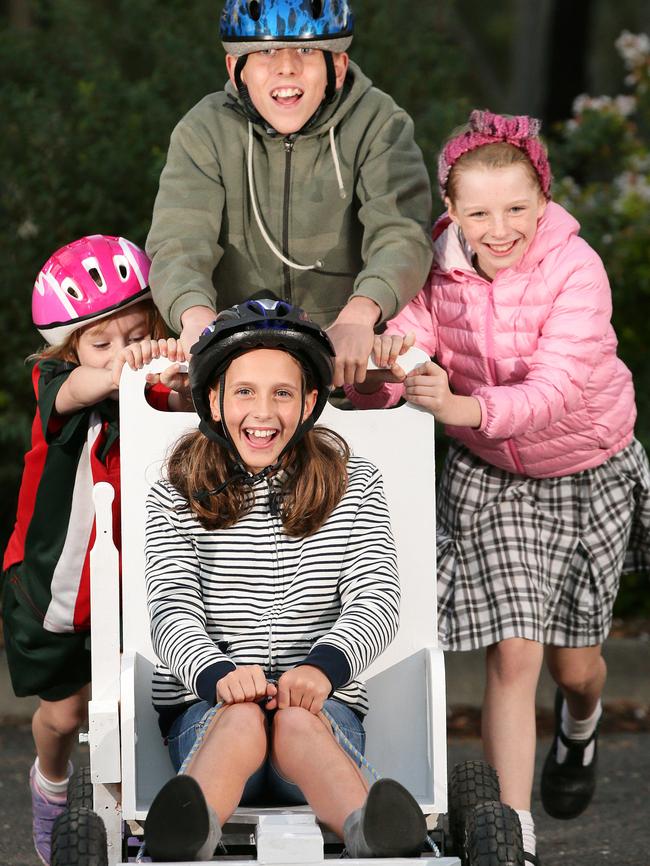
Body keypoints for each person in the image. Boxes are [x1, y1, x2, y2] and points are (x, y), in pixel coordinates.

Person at [346, 111, 650, 866]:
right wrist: (389, 371)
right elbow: (410, 345)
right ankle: (513, 837)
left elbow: (554, 388)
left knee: (575, 665)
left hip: (588, 465)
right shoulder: (438, 270)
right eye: (478, 212)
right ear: (452, 210)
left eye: (516, 208)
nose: (499, 227)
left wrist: (462, 407)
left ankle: (579, 725)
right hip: (493, 474)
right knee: (515, 652)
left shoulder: (576, 269)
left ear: (543, 200)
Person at [142, 298, 428, 861]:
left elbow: (377, 594)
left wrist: (325, 670)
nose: (263, 410)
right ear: (215, 402)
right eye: (244, 391)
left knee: (297, 721)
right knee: (243, 718)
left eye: (283, 392)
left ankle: (366, 829)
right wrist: (216, 673)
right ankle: (190, 835)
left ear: (310, 402)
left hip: (321, 711)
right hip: (210, 710)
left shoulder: (354, 482)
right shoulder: (177, 488)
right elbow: (170, 606)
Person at [1, 235, 193, 866]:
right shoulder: (56, 382)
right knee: (64, 715)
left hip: (131, 582)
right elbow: (78, 389)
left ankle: (120, 824)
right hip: (53, 586)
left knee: (127, 706)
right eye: (101, 340)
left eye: (135, 333)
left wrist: (175, 368)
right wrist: (119, 366)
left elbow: (185, 400)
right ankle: (51, 782)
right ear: (70, 346)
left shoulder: (155, 385)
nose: (120, 350)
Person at [145, 0, 433, 387]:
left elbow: (401, 232)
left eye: (307, 50)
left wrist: (361, 314)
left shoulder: (381, 123)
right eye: (264, 51)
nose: (286, 67)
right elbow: (180, 239)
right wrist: (196, 318)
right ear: (236, 69)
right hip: (237, 349)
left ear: (338, 67)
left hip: (345, 347)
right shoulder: (203, 130)